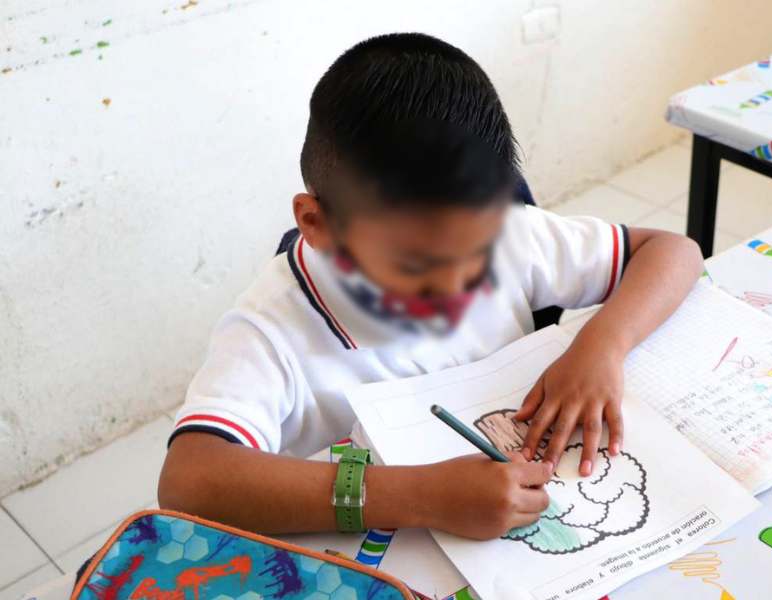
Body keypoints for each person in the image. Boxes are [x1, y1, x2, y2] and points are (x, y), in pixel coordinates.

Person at [158, 32, 702, 540]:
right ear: (317, 224)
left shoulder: (510, 234)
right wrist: (420, 497)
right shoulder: (270, 329)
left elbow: (674, 252)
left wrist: (601, 346)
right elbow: (189, 481)